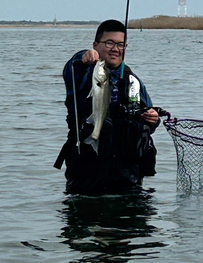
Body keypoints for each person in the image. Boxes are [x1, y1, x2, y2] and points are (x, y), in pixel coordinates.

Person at [54, 19, 160, 195]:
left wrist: (153, 118)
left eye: (121, 44)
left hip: (128, 179)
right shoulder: (84, 71)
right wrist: (83, 56)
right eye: (109, 43)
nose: (115, 49)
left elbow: (146, 118)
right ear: (96, 45)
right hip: (86, 177)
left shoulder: (133, 80)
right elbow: (72, 66)